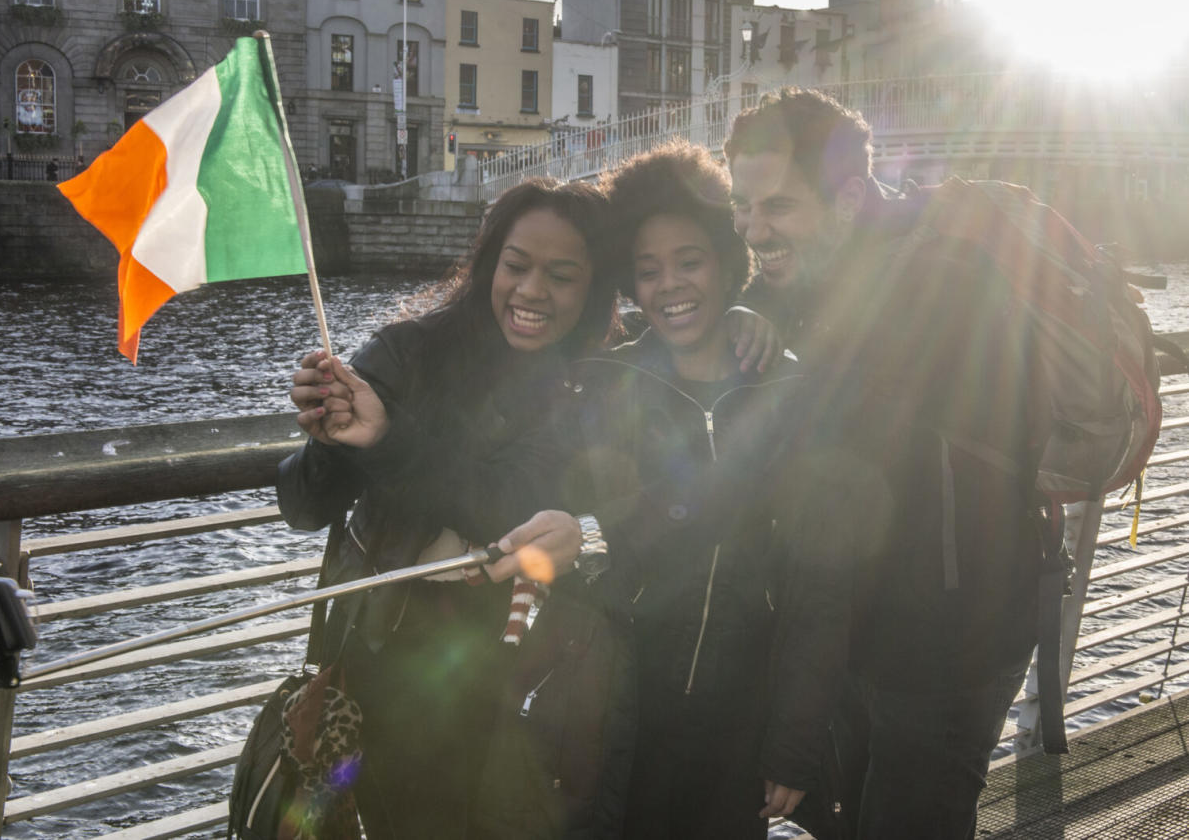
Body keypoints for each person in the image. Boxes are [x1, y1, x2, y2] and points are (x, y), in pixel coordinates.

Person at [726, 88, 1047, 839]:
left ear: (849, 197)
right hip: (871, 628)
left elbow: (835, 483)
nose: (752, 230)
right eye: (742, 206)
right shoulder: (832, 269)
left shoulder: (941, 282)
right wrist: (754, 308)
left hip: (952, 637)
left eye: (776, 207)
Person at [276, 178, 621, 839]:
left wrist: (386, 438)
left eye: (562, 275)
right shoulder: (407, 353)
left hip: (531, 666)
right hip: (397, 657)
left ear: (594, 287)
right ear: (489, 262)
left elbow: (503, 505)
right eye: (515, 266)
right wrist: (329, 432)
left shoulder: (595, 384)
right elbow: (301, 505)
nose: (530, 292)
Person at [495, 142, 818, 838]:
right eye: (647, 271)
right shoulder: (608, 385)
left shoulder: (786, 390)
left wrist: (794, 738)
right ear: (630, 286)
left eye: (690, 262)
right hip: (616, 708)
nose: (670, 285)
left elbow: (816, 583)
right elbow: (536, 489)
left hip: (738, 716)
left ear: (729, 263)